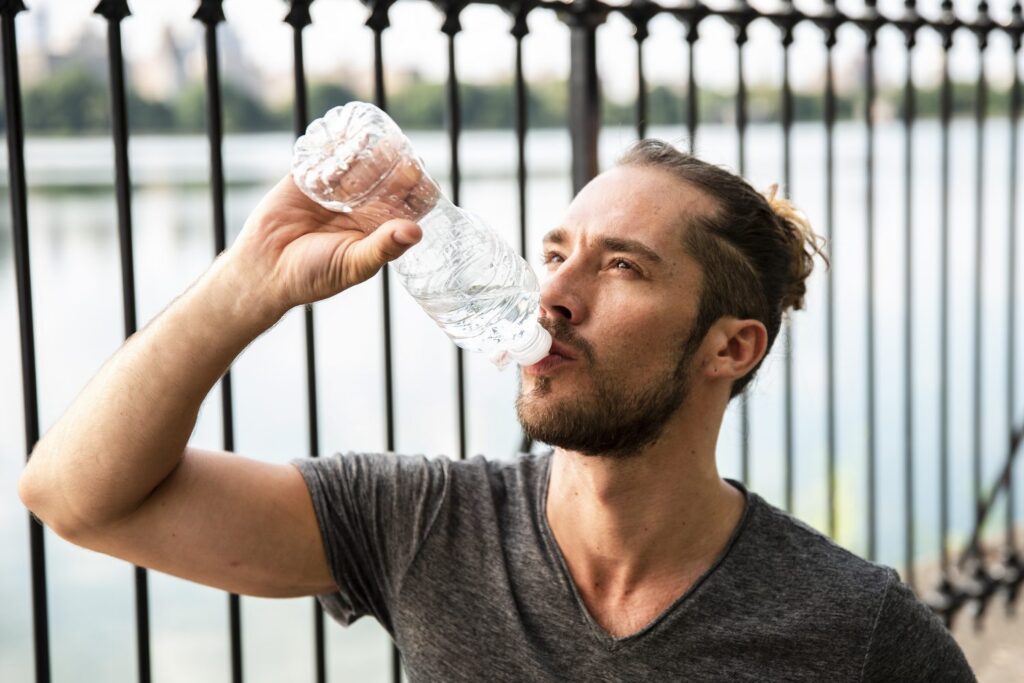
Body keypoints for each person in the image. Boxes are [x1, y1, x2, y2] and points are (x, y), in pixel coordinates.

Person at [18, 139, 974, 681]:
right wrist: (246, 284)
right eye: (555, 251)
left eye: (621, 265)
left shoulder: (858, 632)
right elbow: (77, 497)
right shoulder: (422, 525)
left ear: (732, 346)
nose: (551, 293)